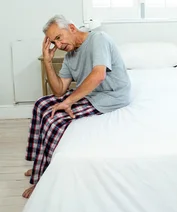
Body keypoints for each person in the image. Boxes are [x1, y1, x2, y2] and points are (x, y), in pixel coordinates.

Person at [23, 15, 131, 199]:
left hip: (111, 96)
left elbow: (99, 75)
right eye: (53, 42)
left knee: (54, 120)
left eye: (59, 37)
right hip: (90, 94)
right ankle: (38, 162)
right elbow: (59, 91)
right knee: (41, 105)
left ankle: (43, 178)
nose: (58, 45)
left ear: (72, 28)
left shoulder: (99, 39)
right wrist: (49, 62)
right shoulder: (70, 56)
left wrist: (69, 101)